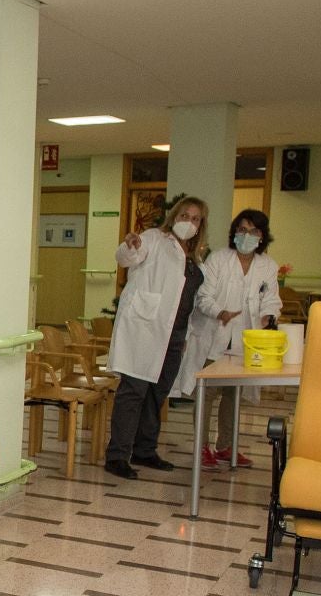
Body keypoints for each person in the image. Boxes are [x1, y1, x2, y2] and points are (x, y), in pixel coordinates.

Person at [104, 196, 209, 480]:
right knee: (134, 389)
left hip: (174, 335)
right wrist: (130, 244)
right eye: (185, 215)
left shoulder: (195, 256)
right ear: (174, 216)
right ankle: (117, 456)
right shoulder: (153, 238)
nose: (189, 221)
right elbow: (127, 257)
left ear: (201, 225)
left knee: (156, 393)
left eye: (196, 218)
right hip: (145, 328)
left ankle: (145, 450)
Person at [182, 209, 281, 469]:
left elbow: (271, 298)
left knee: (233, 395)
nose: (246, 235)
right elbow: (204, 296)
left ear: (262, 236)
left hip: (244, 340)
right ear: (234, 232)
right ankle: (202, 447)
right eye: (242, 229)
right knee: (207, 393)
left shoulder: (267, 266)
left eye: (253, 231)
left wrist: (269, 316)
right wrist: (220, 312)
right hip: (214, 334)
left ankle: (225, 446)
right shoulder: (218, 259)